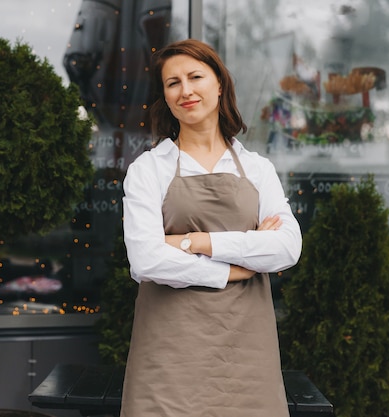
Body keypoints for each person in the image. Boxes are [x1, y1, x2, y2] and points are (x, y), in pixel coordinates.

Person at [120, 39, 302, 417]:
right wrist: (236, 268)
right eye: (172, 83)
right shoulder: (148, 169)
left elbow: (286, 247)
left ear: (219, 84)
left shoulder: (257, 168)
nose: (184, 90)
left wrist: (195, 241)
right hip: (169, 352)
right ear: (166, 97)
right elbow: (146, 261)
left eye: (195, 77)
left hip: (246, 350)